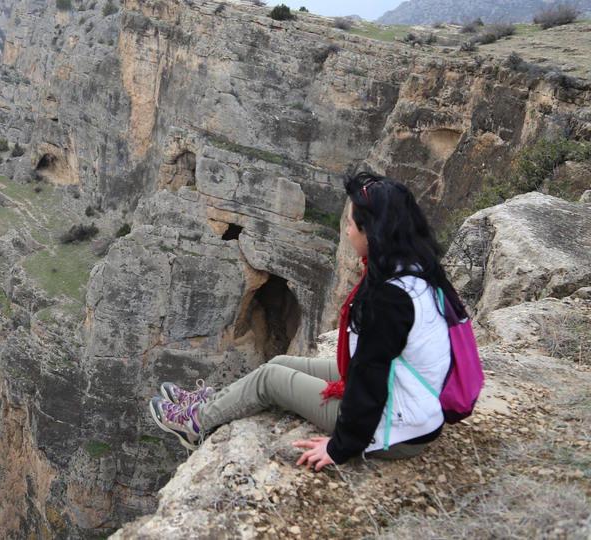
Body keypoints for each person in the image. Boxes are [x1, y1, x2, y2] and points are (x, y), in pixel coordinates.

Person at [149, 172, 454, 470]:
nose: (346, 231)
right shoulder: (417, 268)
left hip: (397, 428)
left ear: (372, 232)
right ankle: (212, 402)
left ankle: (197, 423)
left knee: (269, 380)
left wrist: (340, 446)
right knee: (280, 362)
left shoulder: (390, 300)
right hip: (407, 394)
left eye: (350, 224)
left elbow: (370, 385)